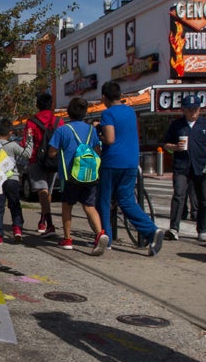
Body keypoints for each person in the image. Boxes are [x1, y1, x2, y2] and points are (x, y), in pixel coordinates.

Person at [96, 80, 166, 256]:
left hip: (112, 161)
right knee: (127, 200)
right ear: (120, 95)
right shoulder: (130, 111)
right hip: (131, 162)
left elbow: (110, 139)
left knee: (103, 201)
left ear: (104, 97)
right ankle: (151, 231)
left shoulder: (107, 114)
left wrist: (99, 133)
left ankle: (106, 238)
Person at [47, 97, 107, 255]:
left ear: (69, 112)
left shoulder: (63, 130)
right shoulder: (91, 130)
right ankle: (100, 233)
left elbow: (52, 152)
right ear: (85, 112)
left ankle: (67, 239)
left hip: (70, 176)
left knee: (67, 205)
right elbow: (97, 151)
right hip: (89, 174)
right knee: (89, 206)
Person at [162, 94, 206, 241]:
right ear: (183, 110)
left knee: (203, 199)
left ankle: (202, 230)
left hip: (202, 167)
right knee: (178, 195)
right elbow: (166, 144)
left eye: (195, 108)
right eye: (189, 109)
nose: (192, 112)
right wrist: (175, 147)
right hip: (181, 167)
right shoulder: (177, 125)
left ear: (199, 109)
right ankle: (174, 228)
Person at [21, 91, 62, 237]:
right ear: (51, 104)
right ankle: (43, 220)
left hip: (36, 160)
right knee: (48, 191)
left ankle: (49, 223)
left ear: (37, 105)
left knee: (42, 191)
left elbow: (26, 143)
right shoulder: (59, 121)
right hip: (53, 160)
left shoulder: (31, 122)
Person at [0, 119, 29, 244]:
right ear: (10, 133)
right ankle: (17, 229)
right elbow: (27, 154)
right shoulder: (12, 145)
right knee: (15, 205)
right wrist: (29, 140)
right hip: (12, 179)